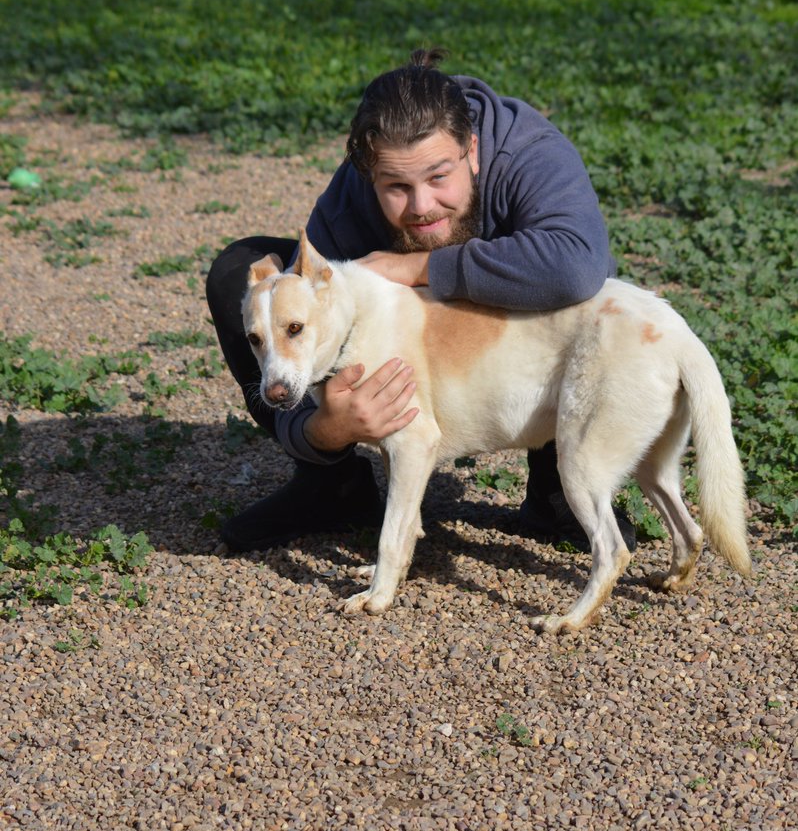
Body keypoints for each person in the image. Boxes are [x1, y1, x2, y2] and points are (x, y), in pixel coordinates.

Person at [206, 48, 635, 554]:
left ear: (471, 150)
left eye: (438, 177)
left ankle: (557, 478)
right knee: (240, 272)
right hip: (411, 349)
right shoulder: (348, 205)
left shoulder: (529, 152)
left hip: (532, 352)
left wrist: (417, 267)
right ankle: (332, 485)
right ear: (368, 174)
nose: (422, 206)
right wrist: (324, 430)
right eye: (395, 187)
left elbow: (578, 267)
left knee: (565, 289)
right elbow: (300, 324)